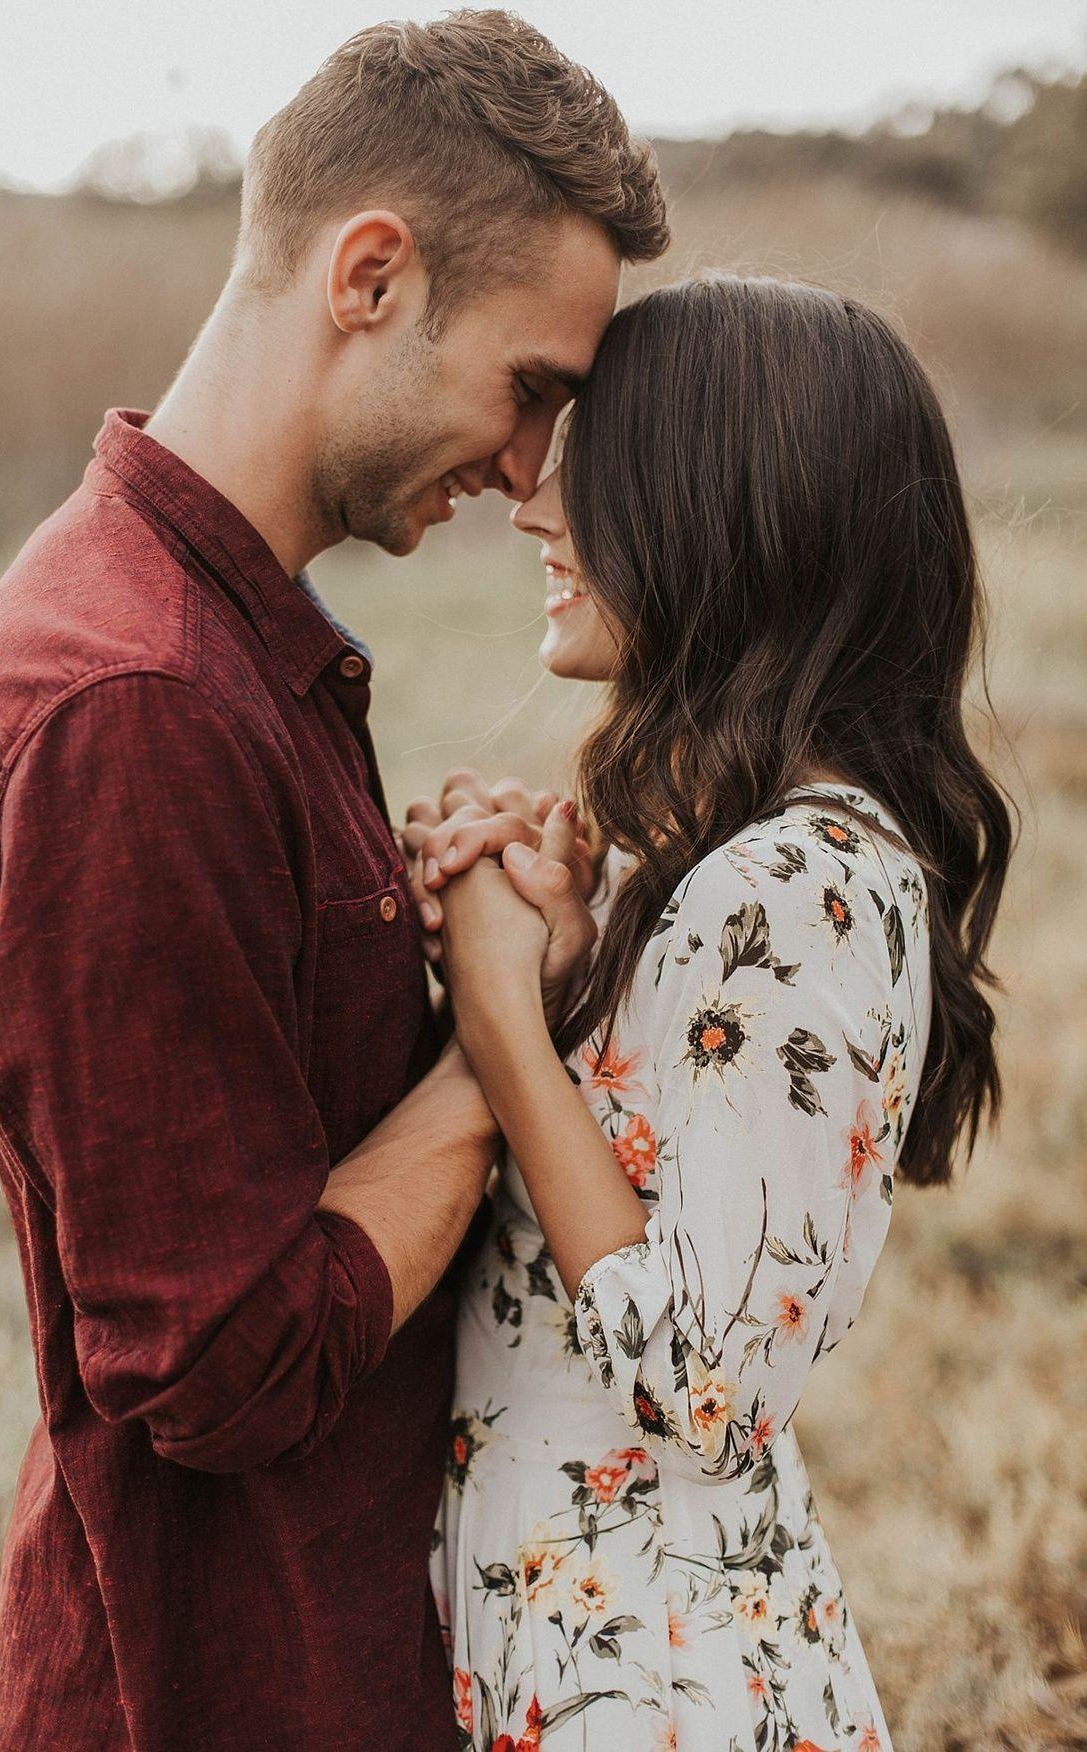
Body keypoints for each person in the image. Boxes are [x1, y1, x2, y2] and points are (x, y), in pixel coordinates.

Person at [0, 15, 668, 1750]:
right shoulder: (135, 704)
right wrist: (500, 1038)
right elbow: (224, 1365)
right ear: (371, 276)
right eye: (531, 388)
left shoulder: (216, 639)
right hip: (232, 1685)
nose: (529, 469)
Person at [409, 275, 1013, 1749]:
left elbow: (703, 1388)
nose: (532, 509)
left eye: (593, 472)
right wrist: (561, 970)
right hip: (584, 1639)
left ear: (721, 515)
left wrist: (500, 1022)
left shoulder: (802, 881)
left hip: (660, 1682)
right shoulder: (719, 864)